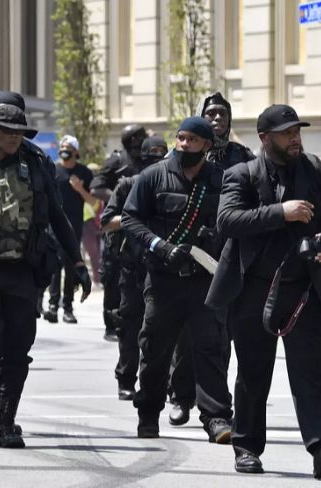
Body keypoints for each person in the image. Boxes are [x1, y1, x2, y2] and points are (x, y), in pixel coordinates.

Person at [209, 105, 321, 478]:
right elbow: (227, 221)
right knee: (254, 373)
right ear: (264, 138)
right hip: (253, 291)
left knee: (311, 371)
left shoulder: (315, 170)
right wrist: (281, 211)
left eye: (297, 131)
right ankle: (246, 446)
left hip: (304, 290)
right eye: (287, 133)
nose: (295, 138)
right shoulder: (241, 175)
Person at [0, 104, 89, 449]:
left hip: (24, 268)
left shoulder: (38, 165)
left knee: (17, 347)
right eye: (6, 130)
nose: (13, 136)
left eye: (18, 131)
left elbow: (57, 216)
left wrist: (77, 263)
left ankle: (6, 421)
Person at [121, 116, 233, 443]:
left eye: (192, 140)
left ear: (207, 146)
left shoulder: (220, 181)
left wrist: (216, 236)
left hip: (205, 281)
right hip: (163, 280)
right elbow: (130, 218)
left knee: (210, 350)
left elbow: (234, 220)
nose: (184, 145)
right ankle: (148, 414)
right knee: (155, 350)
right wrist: (160, 245)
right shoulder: (154, 176)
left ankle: (216, 418)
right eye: (181, 138)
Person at [167, 92, 258, 425]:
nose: (217, 119)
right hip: (191, 255)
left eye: (223, 113)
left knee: (222, 336)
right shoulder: (183, 153)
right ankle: (180, 396)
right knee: (187, 334)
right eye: (211, 114)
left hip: (230, 255)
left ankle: (218, 403)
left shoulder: (243, 157)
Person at [100, 136, 167, 400]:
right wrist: (135, 218)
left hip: (163, 268)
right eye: (151, 158)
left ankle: (166, 384)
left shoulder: (173, 185)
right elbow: (107, 222)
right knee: (129, 327)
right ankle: (126, 378)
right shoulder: (127, 185)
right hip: (131, 267)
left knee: (163, 329)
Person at [92, 124, 148, 341]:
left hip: (142, 228)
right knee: (113, 276)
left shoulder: (147, 159)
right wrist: (120, 196)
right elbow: (96, 187)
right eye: (139, 137)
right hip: (118, 227)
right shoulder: (116, 160)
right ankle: (110, 325)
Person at [43, 135, 97, 324]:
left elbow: (93, 202)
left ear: (76, 151)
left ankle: (68, 307)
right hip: (52, 226)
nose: (64, 149)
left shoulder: (84, 173)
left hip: (74, 227)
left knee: (71, 266)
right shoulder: (53, 170)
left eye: (68, 147)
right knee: (54, 265)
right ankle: (52, 305)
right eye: (62, 146)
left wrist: (80, 189)